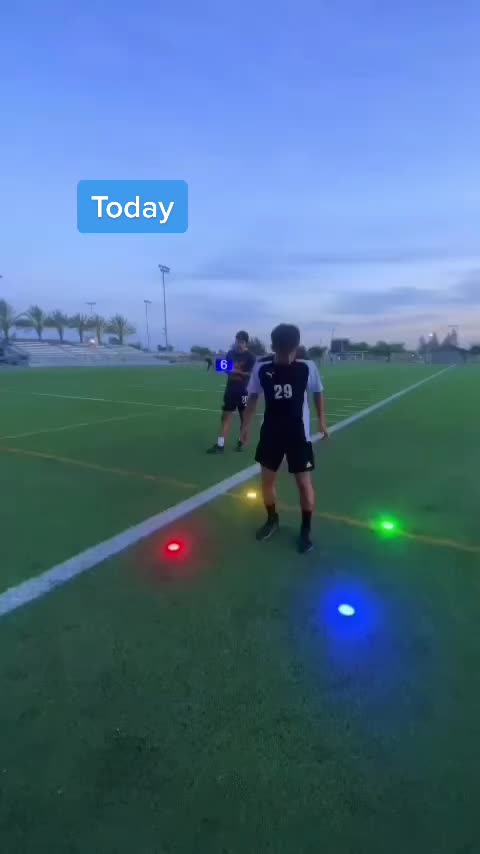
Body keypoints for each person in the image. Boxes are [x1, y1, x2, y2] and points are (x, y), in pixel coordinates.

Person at [240, 323, 328, 553]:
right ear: (273, 347)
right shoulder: (261, 368)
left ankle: (305, 529)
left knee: (304, 484)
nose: (287, 356)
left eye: (291, 351)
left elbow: (318, 392)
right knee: (267, 482)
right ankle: (272, 520)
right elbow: (252, 398)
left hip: (299, 435)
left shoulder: (307, 367)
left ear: (296, 347)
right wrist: (245, 426)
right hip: (271, 434)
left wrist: (322, 420)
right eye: (282, 351)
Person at [207, 331, 256, 454]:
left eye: (241, 342)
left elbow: (251, 374)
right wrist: (216, 365)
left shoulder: (250, 357)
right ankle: (220, 445)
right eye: (237, 341)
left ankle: (242, 442)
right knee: (225, 417)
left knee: (244, 418)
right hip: (230, 391)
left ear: (246, 343)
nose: (239, 344)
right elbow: (226, 369)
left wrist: (237, 371)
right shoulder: (230, 353)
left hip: (244, 392)